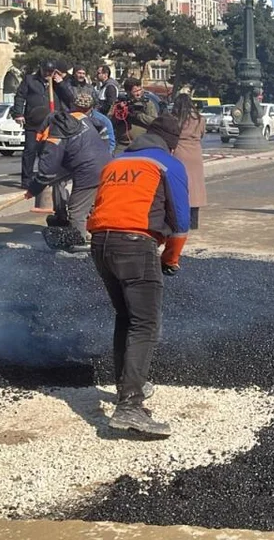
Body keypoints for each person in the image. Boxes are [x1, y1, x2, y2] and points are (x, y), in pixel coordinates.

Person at [87, 114, 190, 437]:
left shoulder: (116, 163)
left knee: (125, 317)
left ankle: (130, 386)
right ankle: (130, 406)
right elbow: (182, 223)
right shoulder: (167, 165)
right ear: (172, 144)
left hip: (101, 245)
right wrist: (170, 260)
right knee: (144, 324)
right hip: (134, 245)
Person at [27, 91, 112, 250]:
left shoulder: (56, 132)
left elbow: (48, 168)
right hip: (104, 163)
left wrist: (33, 189)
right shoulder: (77, 119)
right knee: (93, 205)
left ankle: (79, 249)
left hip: (89, 169)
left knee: (77, 210)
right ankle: (99, 239)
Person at [13, 61, 70, 189]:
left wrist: (61, 83)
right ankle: (26, 180)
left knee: (48, 153)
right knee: (30, 151)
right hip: (33, 123)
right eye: (46, 72)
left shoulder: (57, 83)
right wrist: (18, 113)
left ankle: (45, 177)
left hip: (52, 124)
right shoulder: (30, 80)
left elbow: (69, 98)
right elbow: (20, 97)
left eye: (51, 72)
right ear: (41, 69)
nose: (48, 75)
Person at [171, 95, 207, 230]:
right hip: (195, 153)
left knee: (181, 185)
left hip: (180, 151)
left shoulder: (175, 119)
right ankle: (194, 222)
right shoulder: (200, 119)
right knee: (195, 187)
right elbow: (202, 134)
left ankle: (180, 219)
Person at [111, 78, 159, 154]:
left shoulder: (147, 103)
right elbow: (110, 122)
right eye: (135, 91)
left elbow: (154, 121)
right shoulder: (120, 103)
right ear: (128, 92)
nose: (138, 93)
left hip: (142, 144)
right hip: (123, 144)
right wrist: (120, 111)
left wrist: (137, 115)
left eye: (140, 90)